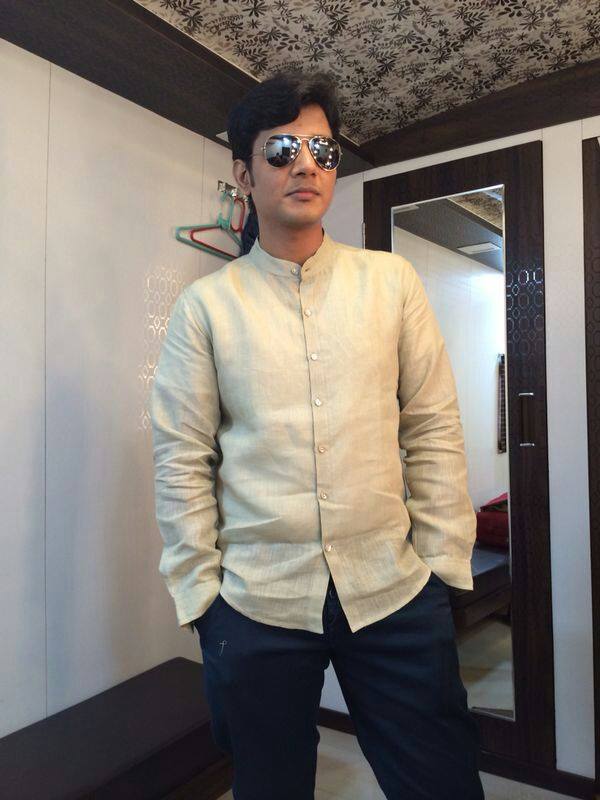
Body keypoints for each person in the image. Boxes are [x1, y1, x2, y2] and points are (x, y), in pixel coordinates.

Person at [150, 69, 485, 800]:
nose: (305, 165)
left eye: (323, 151)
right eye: (282, 150)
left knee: (442, 782)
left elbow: (432, 426)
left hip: (394, 590)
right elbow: (181, 457)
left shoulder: (391, 283)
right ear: (244, 174)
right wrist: (202, 596)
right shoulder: (206, 307)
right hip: (255, 603)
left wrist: (441, 562)